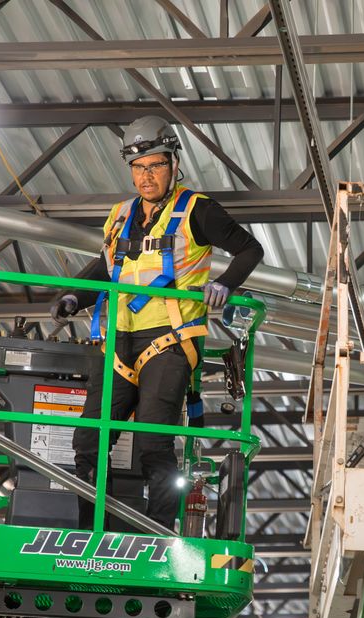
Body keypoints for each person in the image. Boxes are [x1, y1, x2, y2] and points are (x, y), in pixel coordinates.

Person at [50, 115, 263, 528]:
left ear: (173, 163)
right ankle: (91, 533)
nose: (146, 176)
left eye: (155, 164)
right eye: (138, 167)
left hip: (169, 340)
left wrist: (225, 284)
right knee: (89, 439)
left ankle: (159, 532)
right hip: (117, 341)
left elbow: (249, 250)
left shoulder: (197, 211)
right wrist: (74, 296)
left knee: (152, 442)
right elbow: (107, 269)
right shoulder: (119, 215)